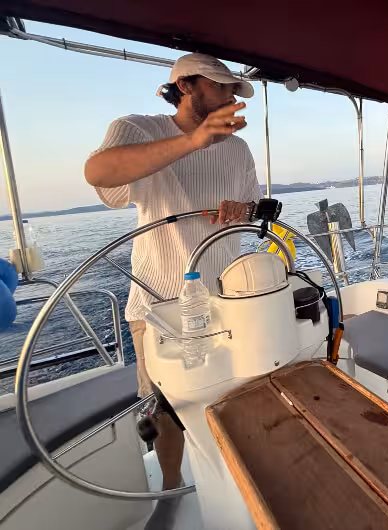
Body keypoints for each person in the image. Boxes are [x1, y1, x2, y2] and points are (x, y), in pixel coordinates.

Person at [85, 53, 262, 504]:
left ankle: (232, 485)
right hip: (157, 303)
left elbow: (253, 209)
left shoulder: (238, 148)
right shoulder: (138, 128)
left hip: (224, 302)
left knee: (230, 395)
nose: (228, 97)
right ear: (185, 86)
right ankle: (170, 491)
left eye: (231, 89)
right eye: (220, 86)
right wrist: (195, 142)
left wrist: (241, 211)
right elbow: (98, 173)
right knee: (167, 409)